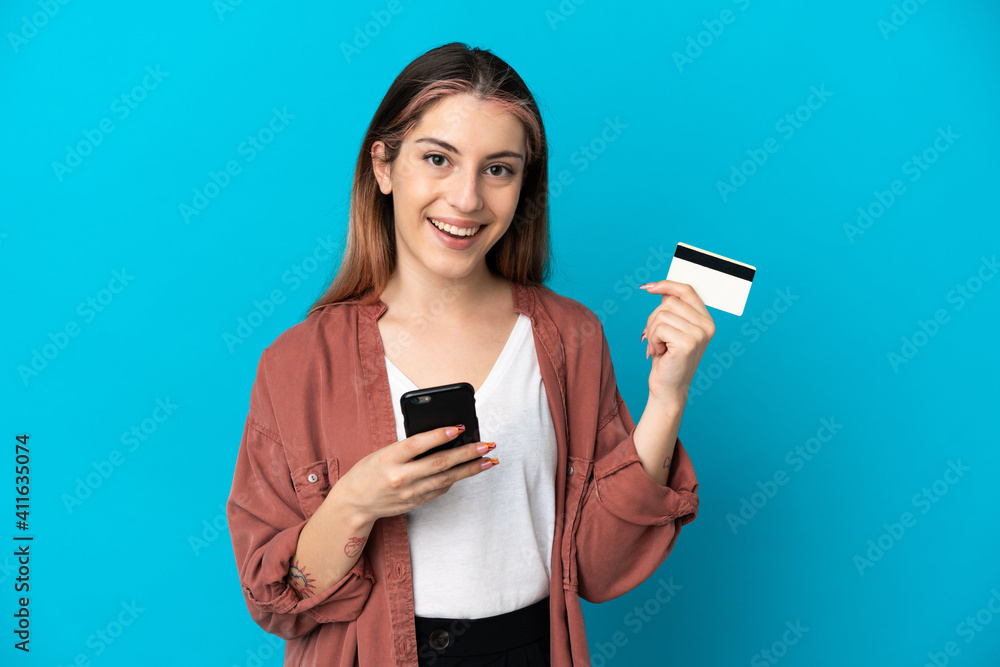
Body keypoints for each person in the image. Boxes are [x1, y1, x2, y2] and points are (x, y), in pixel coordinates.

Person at [227, 42, 713, 667]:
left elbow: (597, 567)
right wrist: (356, 501)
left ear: (522, 188)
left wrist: (668, 398)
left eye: (498, 169)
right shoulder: (297, 364)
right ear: (383, 166)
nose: (466, 199)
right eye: (438, 158)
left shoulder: (572, 337)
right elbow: (277, 601)